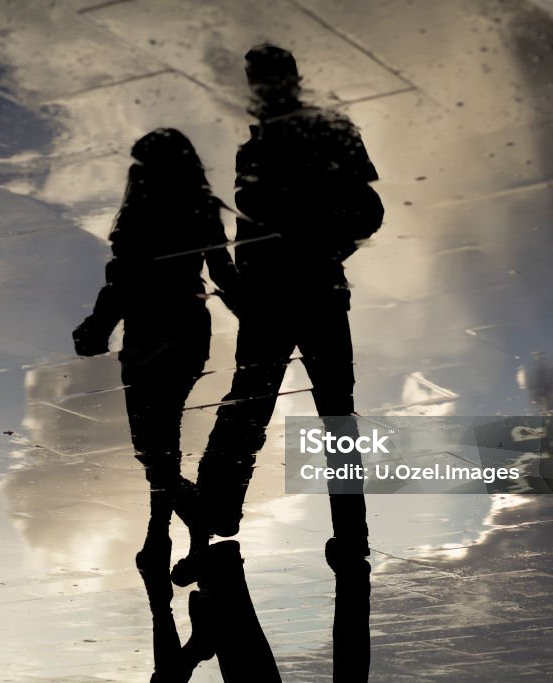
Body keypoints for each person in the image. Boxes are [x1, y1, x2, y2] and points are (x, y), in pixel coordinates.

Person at [192, 44, 384, 569]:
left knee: (273, 406)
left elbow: (368, 210)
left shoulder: (326, 131)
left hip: (303, 290)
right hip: (289, 293)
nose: (260, 89)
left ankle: (221, 513)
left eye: (264, 78)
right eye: (255, 79)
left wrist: (321, 250)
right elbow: (249, 229)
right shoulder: (254, 147)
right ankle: (225, 513)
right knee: (292, 409)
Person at [73, 128, 240, 575]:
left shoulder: (141, 215)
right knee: (159, 446)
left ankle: (184, 529)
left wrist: (98, 325)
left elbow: (121, 281)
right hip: (175, 331)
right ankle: (168, 538)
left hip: (157, 335)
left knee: (155, 448)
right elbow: (223, 272)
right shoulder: (196, 208)